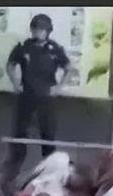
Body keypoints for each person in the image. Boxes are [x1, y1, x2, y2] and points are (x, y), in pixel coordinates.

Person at [5, 13, 71, 180]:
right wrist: (15, 83)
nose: (37, 32)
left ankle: (51, 174)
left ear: (48, 31)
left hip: (46, 99)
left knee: (48, 137)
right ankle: (12, 174)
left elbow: (68, 68)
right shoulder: (24, 47)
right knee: (19, 136)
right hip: (27, 97)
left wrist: (59, 88)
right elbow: (10, 65)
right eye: (35, 29)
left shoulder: (55, 49)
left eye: (41, 29)